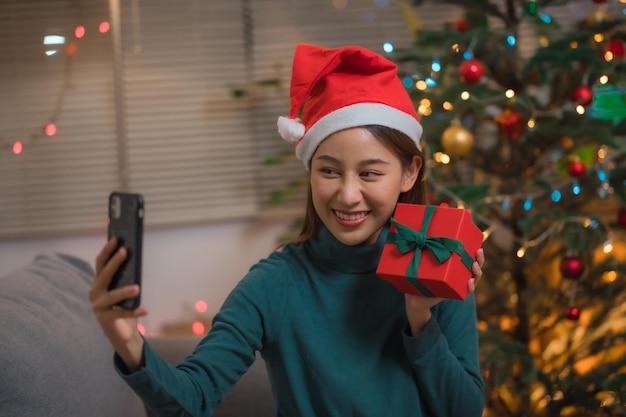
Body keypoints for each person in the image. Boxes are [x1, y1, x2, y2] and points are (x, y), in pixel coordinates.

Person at [90, 43, 486, 417]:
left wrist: (420, 318)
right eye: (329, 170)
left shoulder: (436, 259)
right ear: (310, 173)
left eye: (369, 173)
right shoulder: (274, 284)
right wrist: (128, 342)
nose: (348, 195)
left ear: (409, 172)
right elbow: (190, 399)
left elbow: (464, 410)